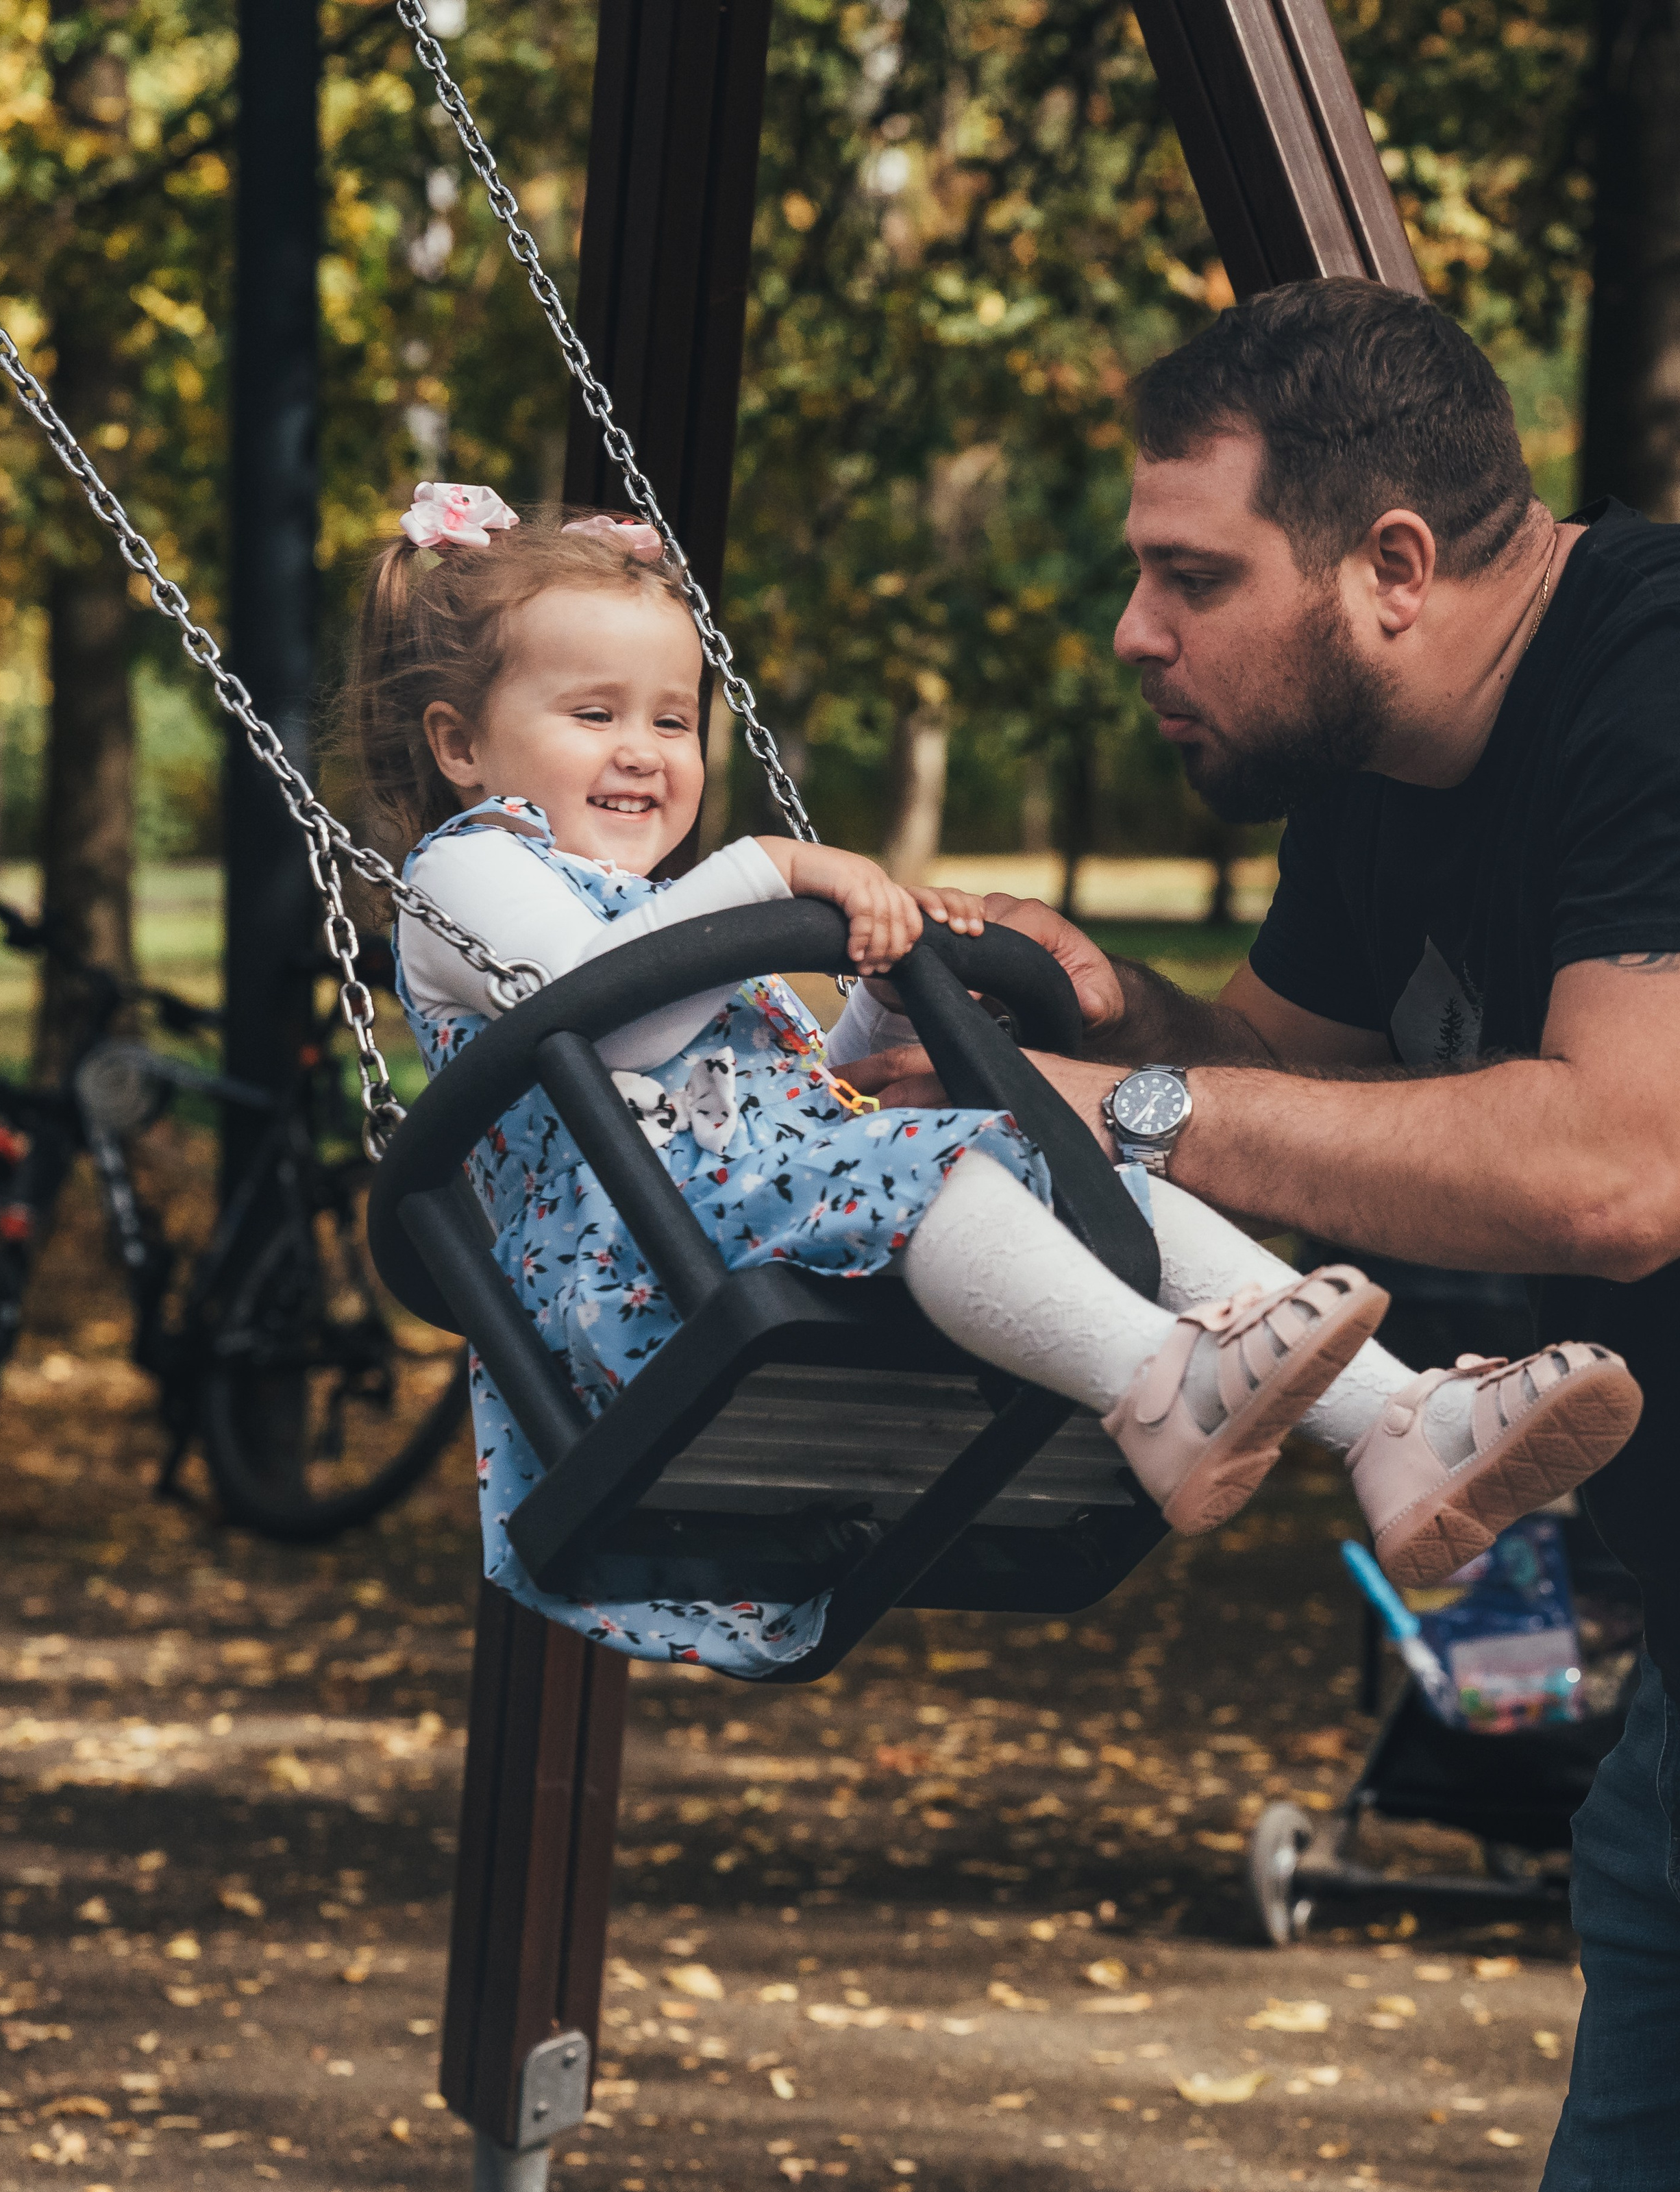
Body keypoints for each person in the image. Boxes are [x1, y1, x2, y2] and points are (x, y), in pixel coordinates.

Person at [842, 277, 1680, 2192]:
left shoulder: (1656, 675)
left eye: (1188, 575)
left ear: (1391, 567)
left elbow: (1619, 1169)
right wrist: (1115, 1015)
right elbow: (1290, 1105)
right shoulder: (1384, 770)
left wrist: (1121, 1106)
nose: (1136, 629)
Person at [340, 486, 1633, 1682]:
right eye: (592, 715)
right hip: (631, 1278)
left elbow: (789, 1095)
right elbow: (604, 1026)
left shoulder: (657, 902)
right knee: (941, 1163)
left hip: (731, 1223)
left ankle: (1401, 1427)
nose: (644, 753)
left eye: (672, 720)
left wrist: (884, 1005)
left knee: (1067, 1152)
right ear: (461, 744)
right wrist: (766, 871)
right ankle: (1156, 1384)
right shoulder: (468, 871)